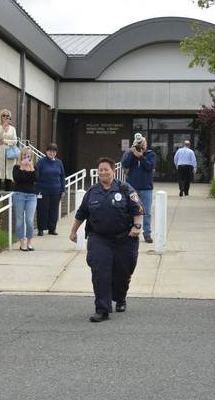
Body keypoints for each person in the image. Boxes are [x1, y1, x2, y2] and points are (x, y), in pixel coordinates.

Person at [70, 157, 143, 322]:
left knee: (123, 272)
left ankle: (120, 297)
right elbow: (81, 214)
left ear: (113, 171)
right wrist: (73, 231)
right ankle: (102, 309)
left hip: (125, 238)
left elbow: (137, 210)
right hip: (99, 238)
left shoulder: (125, 189)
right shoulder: (92, 192)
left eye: (106, 169)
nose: (102, 172)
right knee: (100, 272)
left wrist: (137, 227)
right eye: (100, 170)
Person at [120, 135, 156, 243]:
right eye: (139, 143)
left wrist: (141, 156)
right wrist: (132, 153)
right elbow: (125, 164)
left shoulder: (151, 154)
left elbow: (150, 167)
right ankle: (131, 231)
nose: (142, 145)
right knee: (130, 211)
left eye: (143, 143)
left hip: (146, 188)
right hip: (132, 187)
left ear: (146, 144)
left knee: (147, 212)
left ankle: (147, 233)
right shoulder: (131, 153)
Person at [35, 143, 65, 236]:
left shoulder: (59, 162)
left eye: (54, 151)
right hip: (42, 190)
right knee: (42, 210)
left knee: (54, 210)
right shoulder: (41, 162)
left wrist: (63, 189)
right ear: (46, 151)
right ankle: (41, 229)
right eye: (50, 151)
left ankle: (52, 229)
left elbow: (62, 176)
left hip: (56, 191)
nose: (52, 153)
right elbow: (36, 175)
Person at [12, 147, 37, 251]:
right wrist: (22, 167)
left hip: (31, 196)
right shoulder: (16, 167)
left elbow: (35, 179)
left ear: (31, 157)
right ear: (21, 156)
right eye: (24, 155)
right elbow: (17, 179)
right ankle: (22, 241)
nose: (26, 157)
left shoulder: (34, 167)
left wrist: (31, 169)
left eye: (28, 155)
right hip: (19, 195)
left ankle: (29, 241)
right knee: (19, 220)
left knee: (29, 220)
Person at [0, 108, 18, 194]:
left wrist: (5, 142)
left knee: (9, 173)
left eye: (8, 116)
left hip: (10, 153)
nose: (6, 117)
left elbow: (15, 141)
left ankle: (8, 196)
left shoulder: (12, 129)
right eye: (4, 115)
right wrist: (3, 127)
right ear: (0, 116)